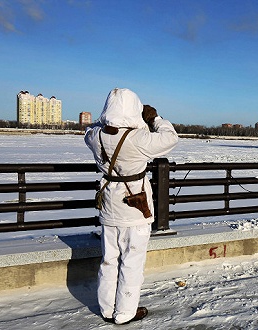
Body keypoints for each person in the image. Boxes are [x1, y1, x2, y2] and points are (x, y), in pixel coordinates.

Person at [84, 88, 178, 324]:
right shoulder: (138, 139)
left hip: (109, 207)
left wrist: (107, 120)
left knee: (109, 260)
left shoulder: (96, 136)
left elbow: (90, 129)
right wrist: (154, 119)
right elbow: (170, 138)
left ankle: (107, 308)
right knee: (132, 261)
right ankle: (125, 312)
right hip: (135, 208)